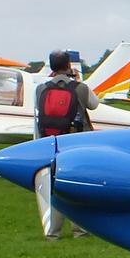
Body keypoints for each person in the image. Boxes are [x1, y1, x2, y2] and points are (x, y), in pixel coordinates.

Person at [34, 49, 99, 240]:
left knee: (54, 186)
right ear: (69, 65)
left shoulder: (41, 89)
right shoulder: (80, 88)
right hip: (78, 141)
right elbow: (94, 104)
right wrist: (79, 80)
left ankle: (53, 233)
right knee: (77, 185)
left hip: (52, 141)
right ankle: (80, 231)